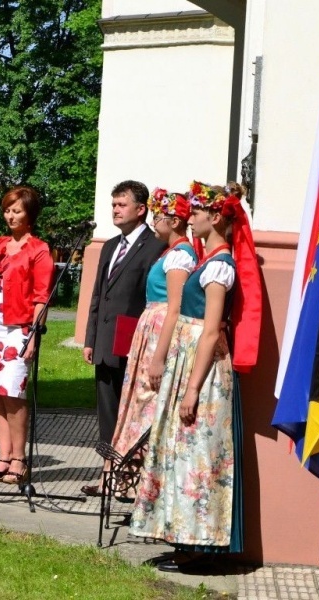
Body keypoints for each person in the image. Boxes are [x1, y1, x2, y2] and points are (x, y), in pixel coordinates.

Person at [130, 181, 261, 573]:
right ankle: (184, 538)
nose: (193, 218)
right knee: (183, 453)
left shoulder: (220, 265)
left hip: (203, 371)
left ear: (216, 217)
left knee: (199, 454)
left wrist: (191, 389)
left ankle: (202, 546)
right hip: (189, 361)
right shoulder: (208, 259)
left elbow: (210, 328)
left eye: (199, 212)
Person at [81, 180, 166, 496]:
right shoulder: (109, 246)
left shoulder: (156, 246)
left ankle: (130, 477)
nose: (115, 210)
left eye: (121, 205)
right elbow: (98, 295)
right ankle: (107, 472)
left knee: (132, 411)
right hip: (105, 341)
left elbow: (152, 297)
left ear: (140, 209)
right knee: (107, 409)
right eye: (113, 204)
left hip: (134, 342)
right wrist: (90, 337)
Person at [110, 188, 197, 487]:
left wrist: (159, 357)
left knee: (149, 402)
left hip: (160, 332)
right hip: (151, 329)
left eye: (160, 216)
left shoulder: (181, 256)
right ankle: (129, 476)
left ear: (174, 222)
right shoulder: (170, 253)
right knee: (140, 401)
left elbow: (175, 308)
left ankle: (144, 479)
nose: (155, 220)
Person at [0, 185, 54, 484]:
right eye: (7, 210)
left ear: (30, 214)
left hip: (18, 330)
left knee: (13, 395)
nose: (10, 215)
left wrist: (35, 336)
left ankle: (20, 458)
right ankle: (3, 456)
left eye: (16, 210)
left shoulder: (39, 249)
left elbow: (42, 297)